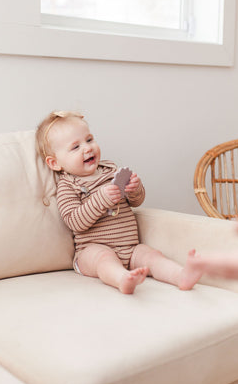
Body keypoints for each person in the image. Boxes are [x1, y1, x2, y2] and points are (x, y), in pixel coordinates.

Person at [36, 111, 203, 294]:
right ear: (54, 163)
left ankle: (180, 275)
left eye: (89, 140)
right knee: (103, 259)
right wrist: (100, 200)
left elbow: (136, 202)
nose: (87, 148)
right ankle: (122, 279)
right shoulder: (68, 185)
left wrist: (135, 189)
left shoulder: (111, 170)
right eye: (75, 147)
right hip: (91, 251)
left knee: (152, 255)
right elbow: (75, 221)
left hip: (129, 248)